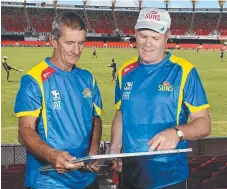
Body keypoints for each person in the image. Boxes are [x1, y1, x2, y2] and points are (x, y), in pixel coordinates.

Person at [110, 8, 211, 189]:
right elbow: (121, 114)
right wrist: (115, 149)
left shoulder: (184, 71)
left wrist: (177, 133)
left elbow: (204, 123)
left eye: (155, 37)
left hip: (170, 177)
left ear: (167, 37)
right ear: (135, 34)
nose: (148, 43)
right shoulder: (125, 72)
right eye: (143, 36)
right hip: (130, 176)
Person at [14, 12, 102, 189]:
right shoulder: (34, 79)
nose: (76, 51)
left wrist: (93, 151)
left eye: (81, 43)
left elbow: (96, 119)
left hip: (86, 179)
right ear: (53, 41)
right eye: (69, 43)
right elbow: (25, 130)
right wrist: (52, 155)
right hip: (48, 182)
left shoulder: (88, 78)